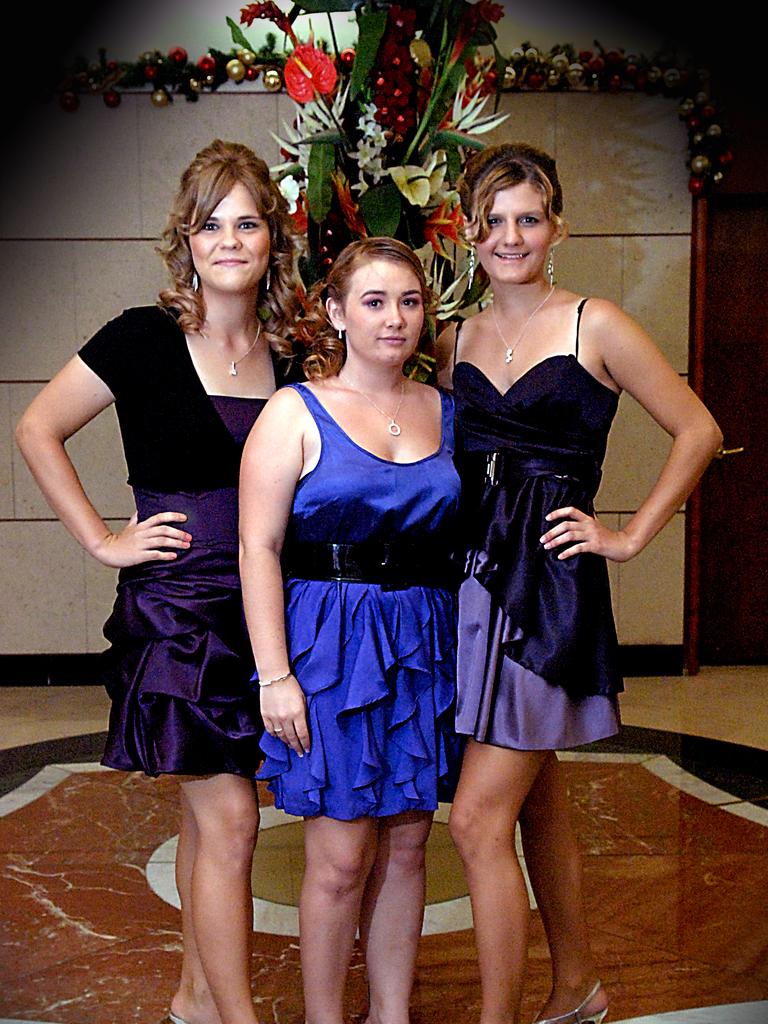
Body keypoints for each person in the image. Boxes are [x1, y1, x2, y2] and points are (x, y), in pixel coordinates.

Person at [436, 142, 723, 1024]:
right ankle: (576, 987)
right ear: (470, 232)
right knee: (538, 803)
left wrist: (630, 533)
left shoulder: (595, 323)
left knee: (476, 821)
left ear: (557, 225)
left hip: (549, 589)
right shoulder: (453, 337)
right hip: (474, 582)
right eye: (494, 220)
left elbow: (699, 429)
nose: (511, 236)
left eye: (529, 217)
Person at [15, 139, 301, 1024]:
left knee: (206, 819)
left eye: (246, 222)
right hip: (177, 613)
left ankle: (192, 999)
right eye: (210, 223)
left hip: (264, 610)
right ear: (186, 237)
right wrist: (102, 538)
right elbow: (36, 427)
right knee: (233, 821)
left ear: (271, 239)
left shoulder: (294, 351)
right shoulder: (143, 337)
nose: (228, 240)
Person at [238, 236, 463, 1024]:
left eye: (408, 301)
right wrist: (275, 675)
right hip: (329, 648)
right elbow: (257, 547)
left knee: (406, 847)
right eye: (373, 301)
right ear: (335, 312)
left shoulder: (447, 411)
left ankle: (391, 1015)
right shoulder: (293, 411)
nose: (394, 318)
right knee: (339, 858)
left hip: (421, 646)